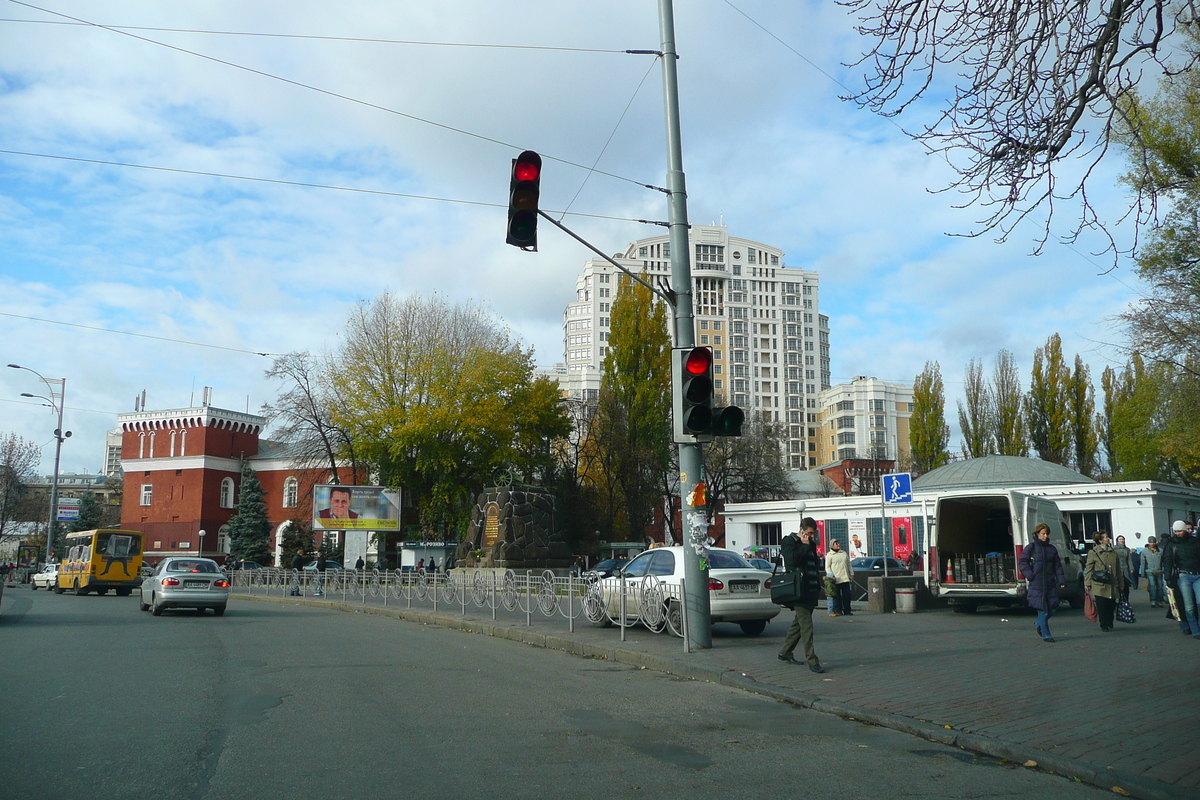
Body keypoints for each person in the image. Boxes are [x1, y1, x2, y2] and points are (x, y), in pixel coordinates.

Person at [777, 517, 825, 673]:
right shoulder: (789, 541)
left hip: (810, 588)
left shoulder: (811, 543)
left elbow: (813, 565)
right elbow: (792, 561)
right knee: (806, 625)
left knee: (798, 624)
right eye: (810, 533)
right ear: (802, 529)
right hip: (798, 590)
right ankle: (812, 660)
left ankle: (785, 652)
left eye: (813, 533)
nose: (812, 537)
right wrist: (804, 546)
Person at [1019, 522, 1066, 642]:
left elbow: (1057, 566)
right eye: (1043, 534)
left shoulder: (1052, 549)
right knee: (1043, 609)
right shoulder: (1031, 548)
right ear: (1037, 534)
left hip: (1050, 583)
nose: (1045, 536)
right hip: (1037, 583)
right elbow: (1022, 562)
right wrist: (1030, 575)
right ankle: (1046, 635)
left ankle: (1039, 622)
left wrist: (1061, 580)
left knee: (1053, 607)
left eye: (1046, 534)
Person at [1163, 519, 1200, 638]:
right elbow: (1167, 561)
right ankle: (1195, 630)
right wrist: (1167, 578)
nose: (1177, 533)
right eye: (1176, 531)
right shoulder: (1171, 544)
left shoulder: (1195, 542)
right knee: (1188, 606)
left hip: (1197, 574)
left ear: (1185, 530)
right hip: (1183, 576)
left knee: (1199, 603)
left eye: (1180, 531)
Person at [1085, 531, 1125, 632]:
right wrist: (1087, 583)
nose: (1108, 539)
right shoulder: (1093, 552)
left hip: (1112, 583)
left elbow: (1118, 569)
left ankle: (1110, 620)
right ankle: (1103, 624)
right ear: (1100, 540)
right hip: (1099, 583)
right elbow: (1089, 568)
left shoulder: (1113, 552)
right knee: (1101, 605)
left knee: (1111, 605)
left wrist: (1121, 584)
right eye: (1106, 537)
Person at [825, 538, 854, 617]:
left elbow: (848, 564)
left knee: (847, 596)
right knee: (837, 597)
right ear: (832, 546)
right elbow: (827, 567)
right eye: (836, 544)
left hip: (845, 578)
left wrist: (851, 573)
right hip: (836, 578)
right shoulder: (829, 555)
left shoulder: (843, 553)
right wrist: (831, 575)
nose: (838, 545)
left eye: (838, 543)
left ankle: (847, 610)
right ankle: (838, 610)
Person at [1141, 536, 1164, 607]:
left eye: (1153, 542)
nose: (1152, 543)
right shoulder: (1144, 551)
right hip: (1149, 571)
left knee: (1160, 586)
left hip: (1159, 570)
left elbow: (1163, 561)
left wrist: (1163, 570)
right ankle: (1153, 600)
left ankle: (1160, 600)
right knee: (1152, 586)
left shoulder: (1160, 550)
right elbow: (1143, 562)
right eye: (1151, 542)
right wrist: (1142, 573)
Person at [1114, 535, 1133, 602]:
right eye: (1120, 539)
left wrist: (1131, 568)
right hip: (1118, 569)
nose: (1122, 540)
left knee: (1126, 586)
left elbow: (1129, 559)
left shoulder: (1127, 549)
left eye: (1123, 539)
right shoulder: (1114, 549)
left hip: (1125, 570)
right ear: (1117, 541)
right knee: (1118, 586)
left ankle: (1126, 600)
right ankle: (1119, 600)